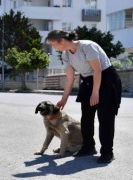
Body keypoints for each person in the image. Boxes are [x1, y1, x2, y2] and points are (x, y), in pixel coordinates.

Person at [45, 30, 122, 163]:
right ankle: (88, 147)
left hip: (106, 79)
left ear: (62, 41)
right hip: (87, 80)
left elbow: (97, 70)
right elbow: (70, 78)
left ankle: (107, 152)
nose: (54, 48)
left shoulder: (87, 46)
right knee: (86, 117)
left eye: (54, 44)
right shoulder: (66, 55)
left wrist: (95, 93)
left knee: (105, 118)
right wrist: (64, 98)